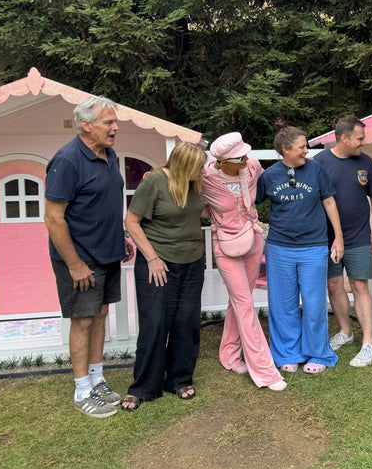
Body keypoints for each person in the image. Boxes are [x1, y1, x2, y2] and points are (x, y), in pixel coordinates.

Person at [45, 96, 133, 418]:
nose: (115, 127)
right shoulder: (67, 160)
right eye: (108, 122)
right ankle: (82, 390)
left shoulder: (108, 155)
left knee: (99, 315)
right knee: (82, 320)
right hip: (80, 258)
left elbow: (104, 204)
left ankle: (97, 379)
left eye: (114, 122)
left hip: (107, 253)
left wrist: (120, 238)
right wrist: (75, 264)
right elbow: (54, 217)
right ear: (86, 125)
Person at [121, 141, 207, 411]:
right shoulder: (154, 182)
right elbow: (131, 221)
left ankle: (180, 379)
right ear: (184, 166)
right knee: (155, 324)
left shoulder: (195, 184)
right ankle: (144, 387)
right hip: (158, 263)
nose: (202, 171)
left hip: (192, 262)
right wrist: (152, 258)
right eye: (198, 167)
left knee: (186, 323)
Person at [255, 121, 344, 374]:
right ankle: (287, 354)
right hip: (279, 248)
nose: (307, 150)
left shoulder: (316, 170)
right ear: (285, 149)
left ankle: (318, 354)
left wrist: (338, 237)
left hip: (313, 247)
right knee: (283, 304)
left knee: (315, 303)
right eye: (302, 147)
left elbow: (329, 202)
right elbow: (250, 201)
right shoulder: (270, 175)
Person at [202, 132, 287, 391]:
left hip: (252, 241)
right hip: (225, 247)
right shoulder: (206, 178)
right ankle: (264, 371)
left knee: (240, 302)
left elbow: (263, 189)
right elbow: (198, 205)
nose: (246, 159)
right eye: (239, 157)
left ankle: (228, 354)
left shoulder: (251, 167)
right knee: (245, 304)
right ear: (221, 161)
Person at [315, 116, 372, 367]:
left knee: (359, 285)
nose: (363, 143)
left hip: (357, 236)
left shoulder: (365, 162)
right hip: (327, 238)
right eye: (360, 138)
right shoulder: (320, 162)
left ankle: (368, 344)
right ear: (344, 138)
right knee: (333, 285)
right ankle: (346, 332)